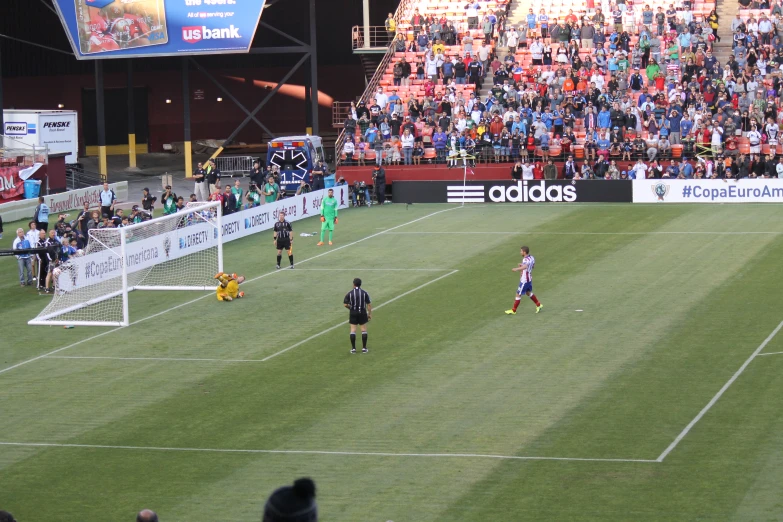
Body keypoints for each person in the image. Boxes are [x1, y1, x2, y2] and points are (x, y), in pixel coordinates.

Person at [505, 245, 543, 315]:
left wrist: (516, 269)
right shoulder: (532, 257)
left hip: (524, 280)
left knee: (518, 294)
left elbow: (525, 266)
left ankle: (513, 310)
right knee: (528, 292)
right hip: (529, 278)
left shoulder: (525, 259)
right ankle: (538, 304)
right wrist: (522, 265)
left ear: (524, 252)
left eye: (521, 251)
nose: (520, 252)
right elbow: (532, 266)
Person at [344, 277, 372, 353]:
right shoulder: (365, 293)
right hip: (362, 313)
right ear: (360, 284)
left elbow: (345, 304)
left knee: (353, 330)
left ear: (353, 284)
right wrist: (369, 314)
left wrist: (351, 308)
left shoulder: (349, 293)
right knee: (363, 330)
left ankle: (353, 349)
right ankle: (364, 348)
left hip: (353, 313)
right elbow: (368, 305)